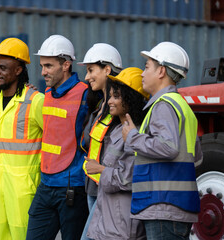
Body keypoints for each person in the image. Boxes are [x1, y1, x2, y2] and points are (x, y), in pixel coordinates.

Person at [122, 42, 203, 239]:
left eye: (147, 67)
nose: (142, 73)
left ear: (161, 71)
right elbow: (197, 158)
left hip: (163, 206)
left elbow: (168, 148)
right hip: (175, 206)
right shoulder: (181, 106)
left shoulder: (163, 106)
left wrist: (132, 136)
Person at [26, 34, 89, 240]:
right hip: (46, 185)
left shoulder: (86, 94)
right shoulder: (47, 94)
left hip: (73, 188)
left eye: (48, 66)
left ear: (66, 65)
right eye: (42, 66)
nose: (43, 71)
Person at [0, 38, 44, 240]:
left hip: (24, 186)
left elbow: (55, 141)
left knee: (25, 235)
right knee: (1, 235)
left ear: (18, 70)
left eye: (3, 67)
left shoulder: (36, 101)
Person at [85, 67, 148, 240]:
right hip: (108, 223)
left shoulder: (136, 134)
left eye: (116, 96)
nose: (110, 101)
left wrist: (99, 169)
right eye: (111, 96)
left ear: (131, 99)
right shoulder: (117, 131)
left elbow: (127, 179)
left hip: (122, 226)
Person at [77, 43, 123, 240]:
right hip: (93, 186)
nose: (87, 77)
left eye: (90, 70)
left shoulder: (121, 108)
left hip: (108, 189)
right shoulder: (99, 105)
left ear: (107, 69)